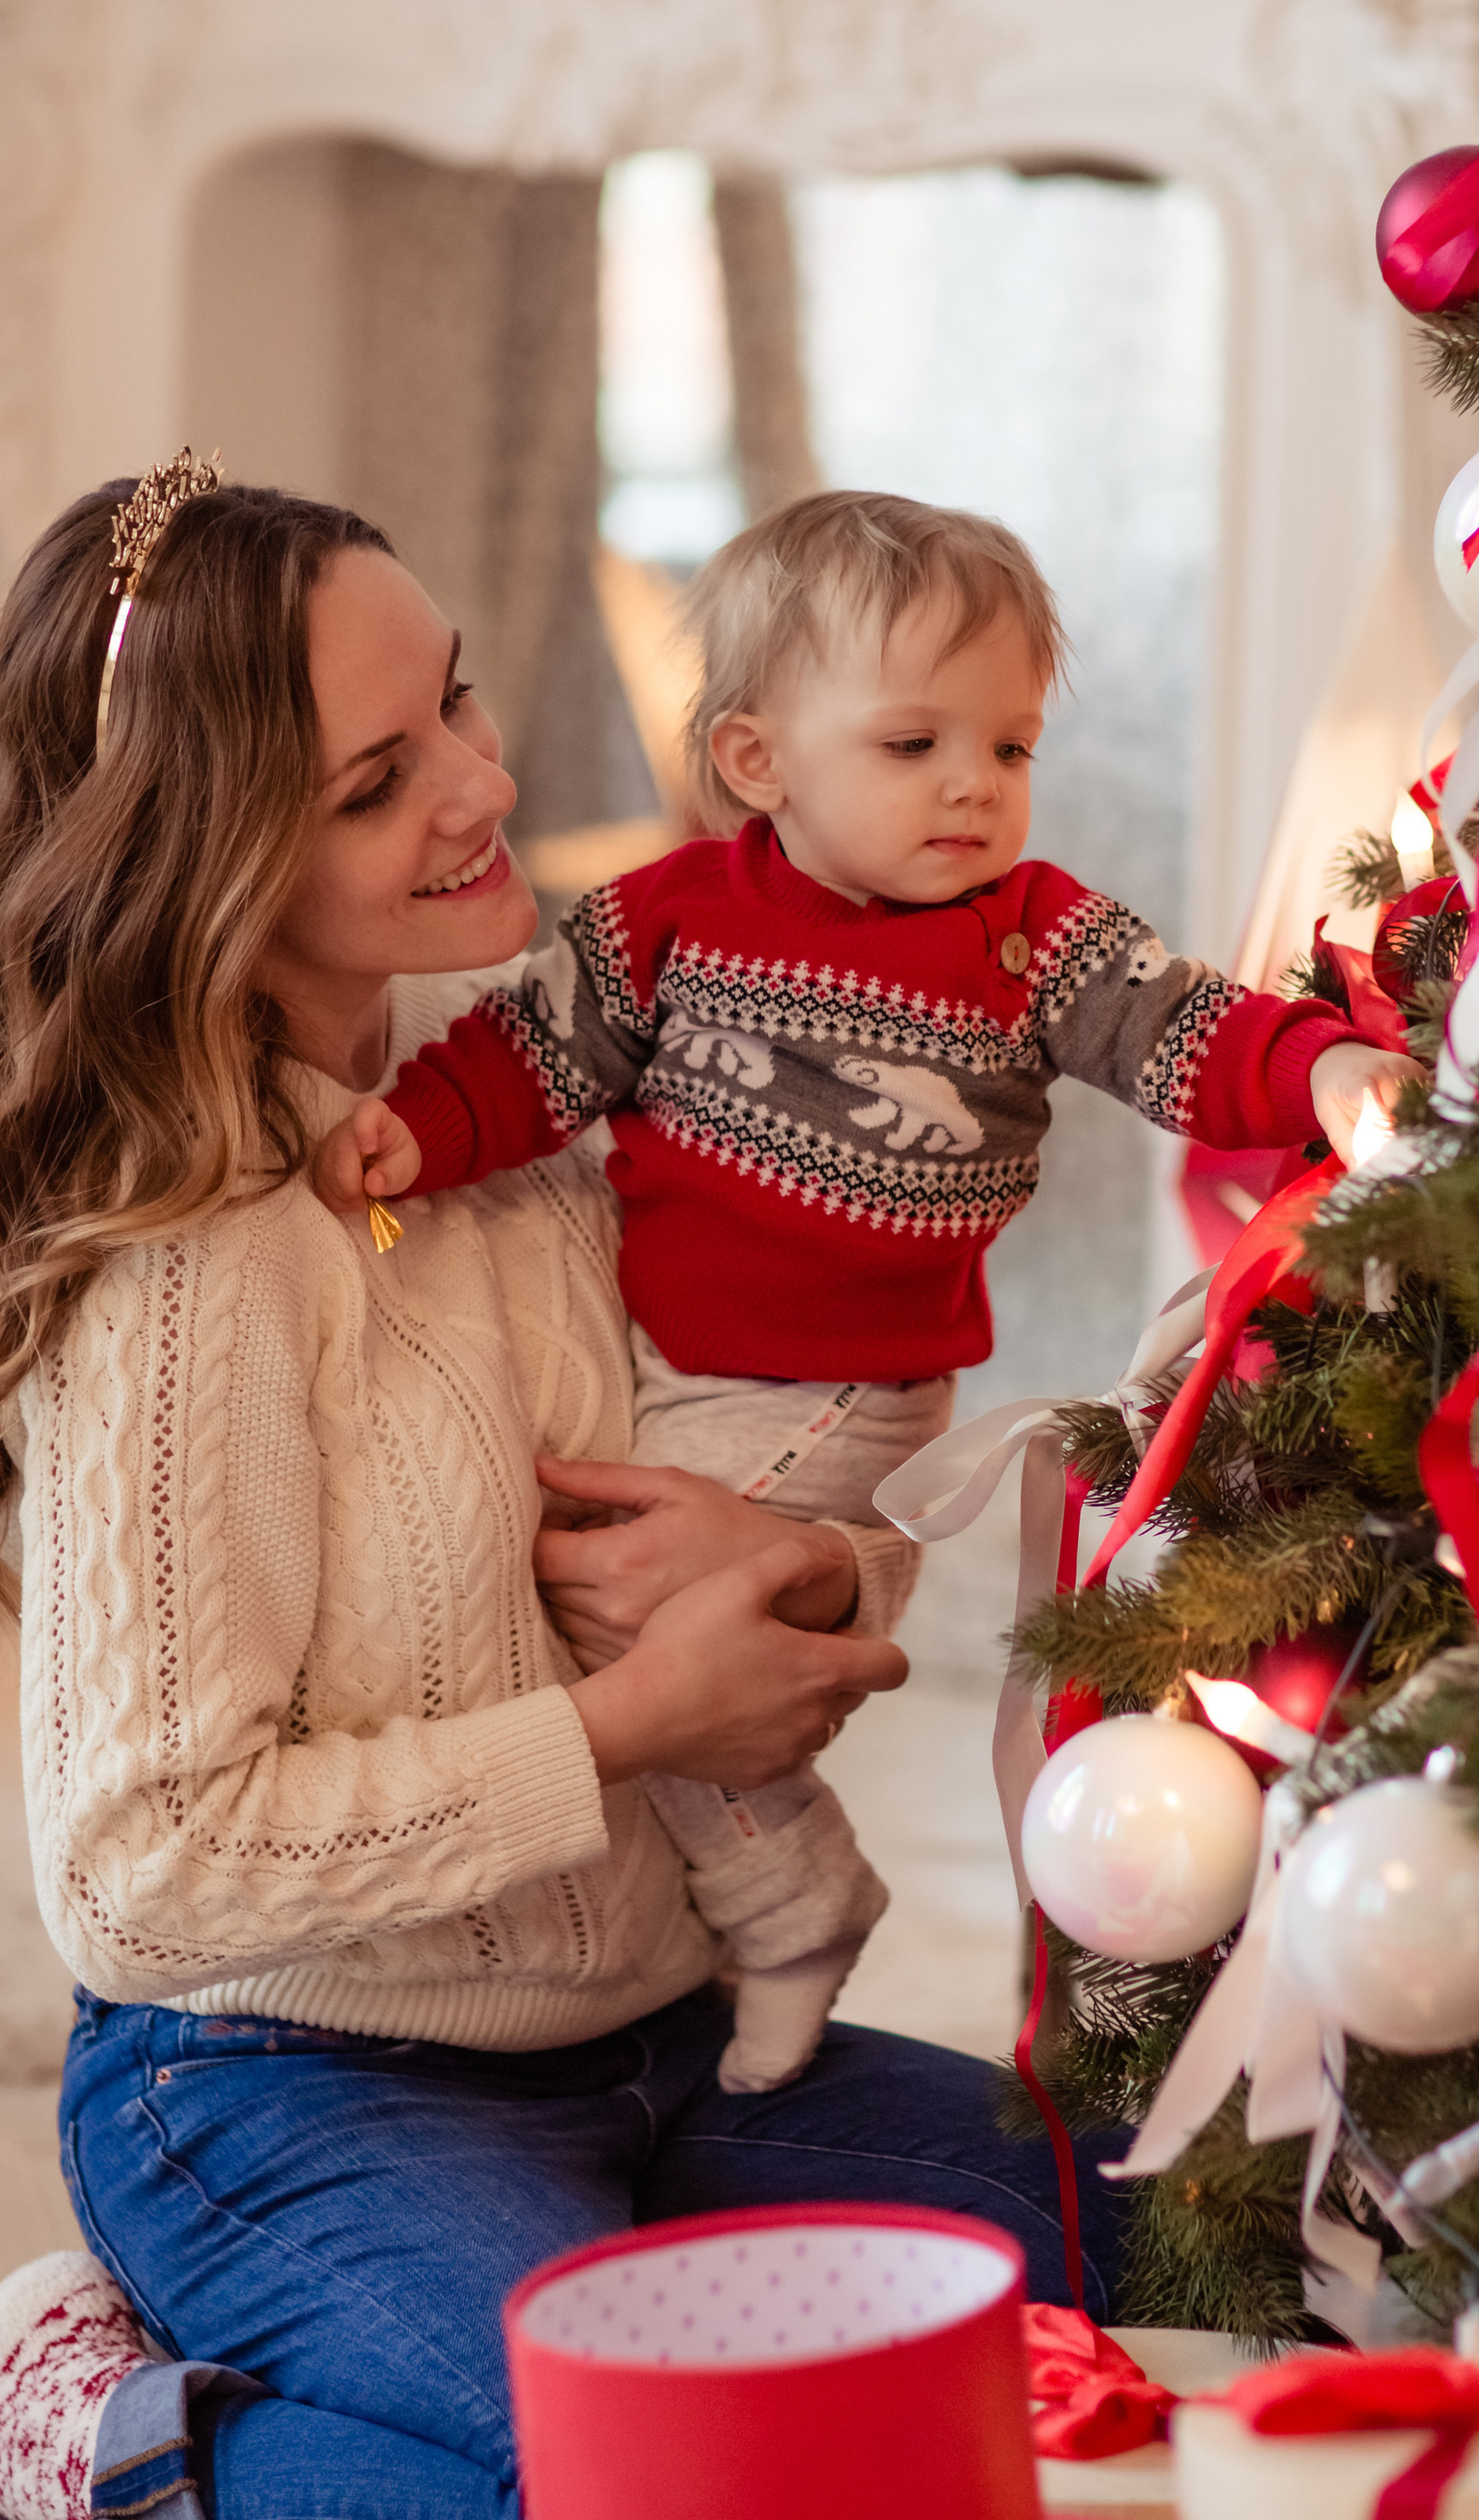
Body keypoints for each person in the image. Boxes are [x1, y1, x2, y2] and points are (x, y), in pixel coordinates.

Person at [0, 466, 1138, 2520]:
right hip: (286, 2093)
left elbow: (772, 1481)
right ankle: (112, 2432)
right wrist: (629, 1727)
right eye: (377, 778)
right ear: (209, 854)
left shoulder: (527, 1135)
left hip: (658, 2051)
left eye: (463, 706)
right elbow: (144, 1867)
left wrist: (799, 1561)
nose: (493, 792)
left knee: (1202, 2259)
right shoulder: (188, 1271)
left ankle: (531, 2336)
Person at [314, 490, 1404, 2098]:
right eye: (914, 746)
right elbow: (527, 1062)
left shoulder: (1034, 943)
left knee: (671, 1639)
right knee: (562, 1611)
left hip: (842, 1380)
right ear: (760, 762)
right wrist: (416, 1129)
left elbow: (1190, 1030)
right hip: (652, 1353)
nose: (976, 785)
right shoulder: (665, 920)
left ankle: (794, 1903)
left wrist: (1319, 1072)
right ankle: (648, 1930)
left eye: (1010, 747)